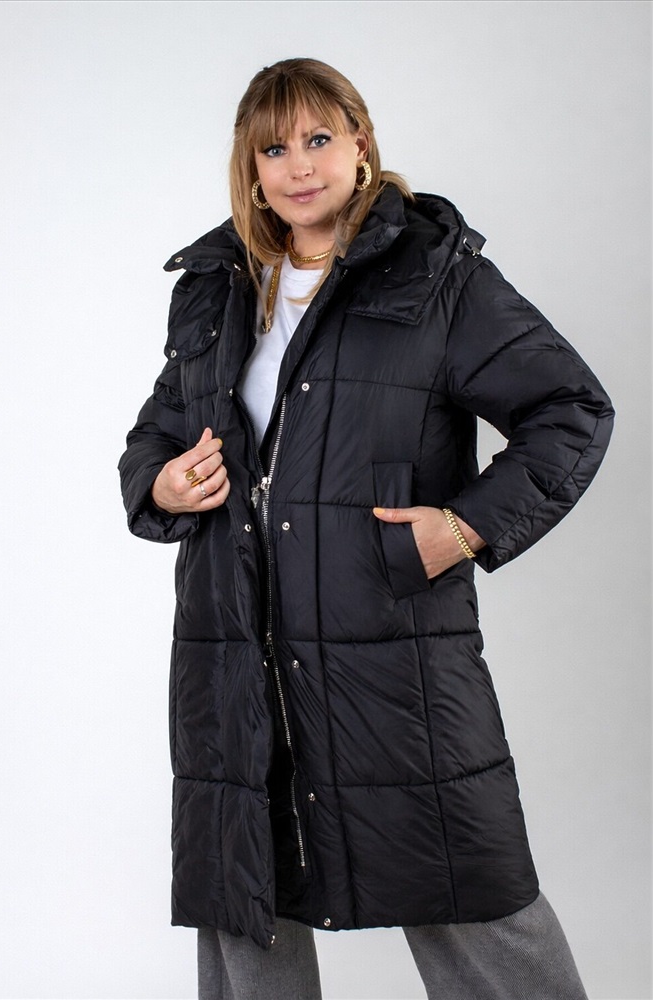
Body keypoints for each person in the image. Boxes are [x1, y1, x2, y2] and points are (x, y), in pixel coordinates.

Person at [118, 58, 614, 1000]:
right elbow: (157, 432)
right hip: (235, 649)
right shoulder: (217, 286)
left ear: (360, 142)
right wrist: (163, 483)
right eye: (273, 148)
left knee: (465, 883)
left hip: (388, 651)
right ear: (250, 167)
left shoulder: (437, 275)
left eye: (318, 139)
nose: (298, 166)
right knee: (244, 895)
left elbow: (570, 410)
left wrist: (462, 529)